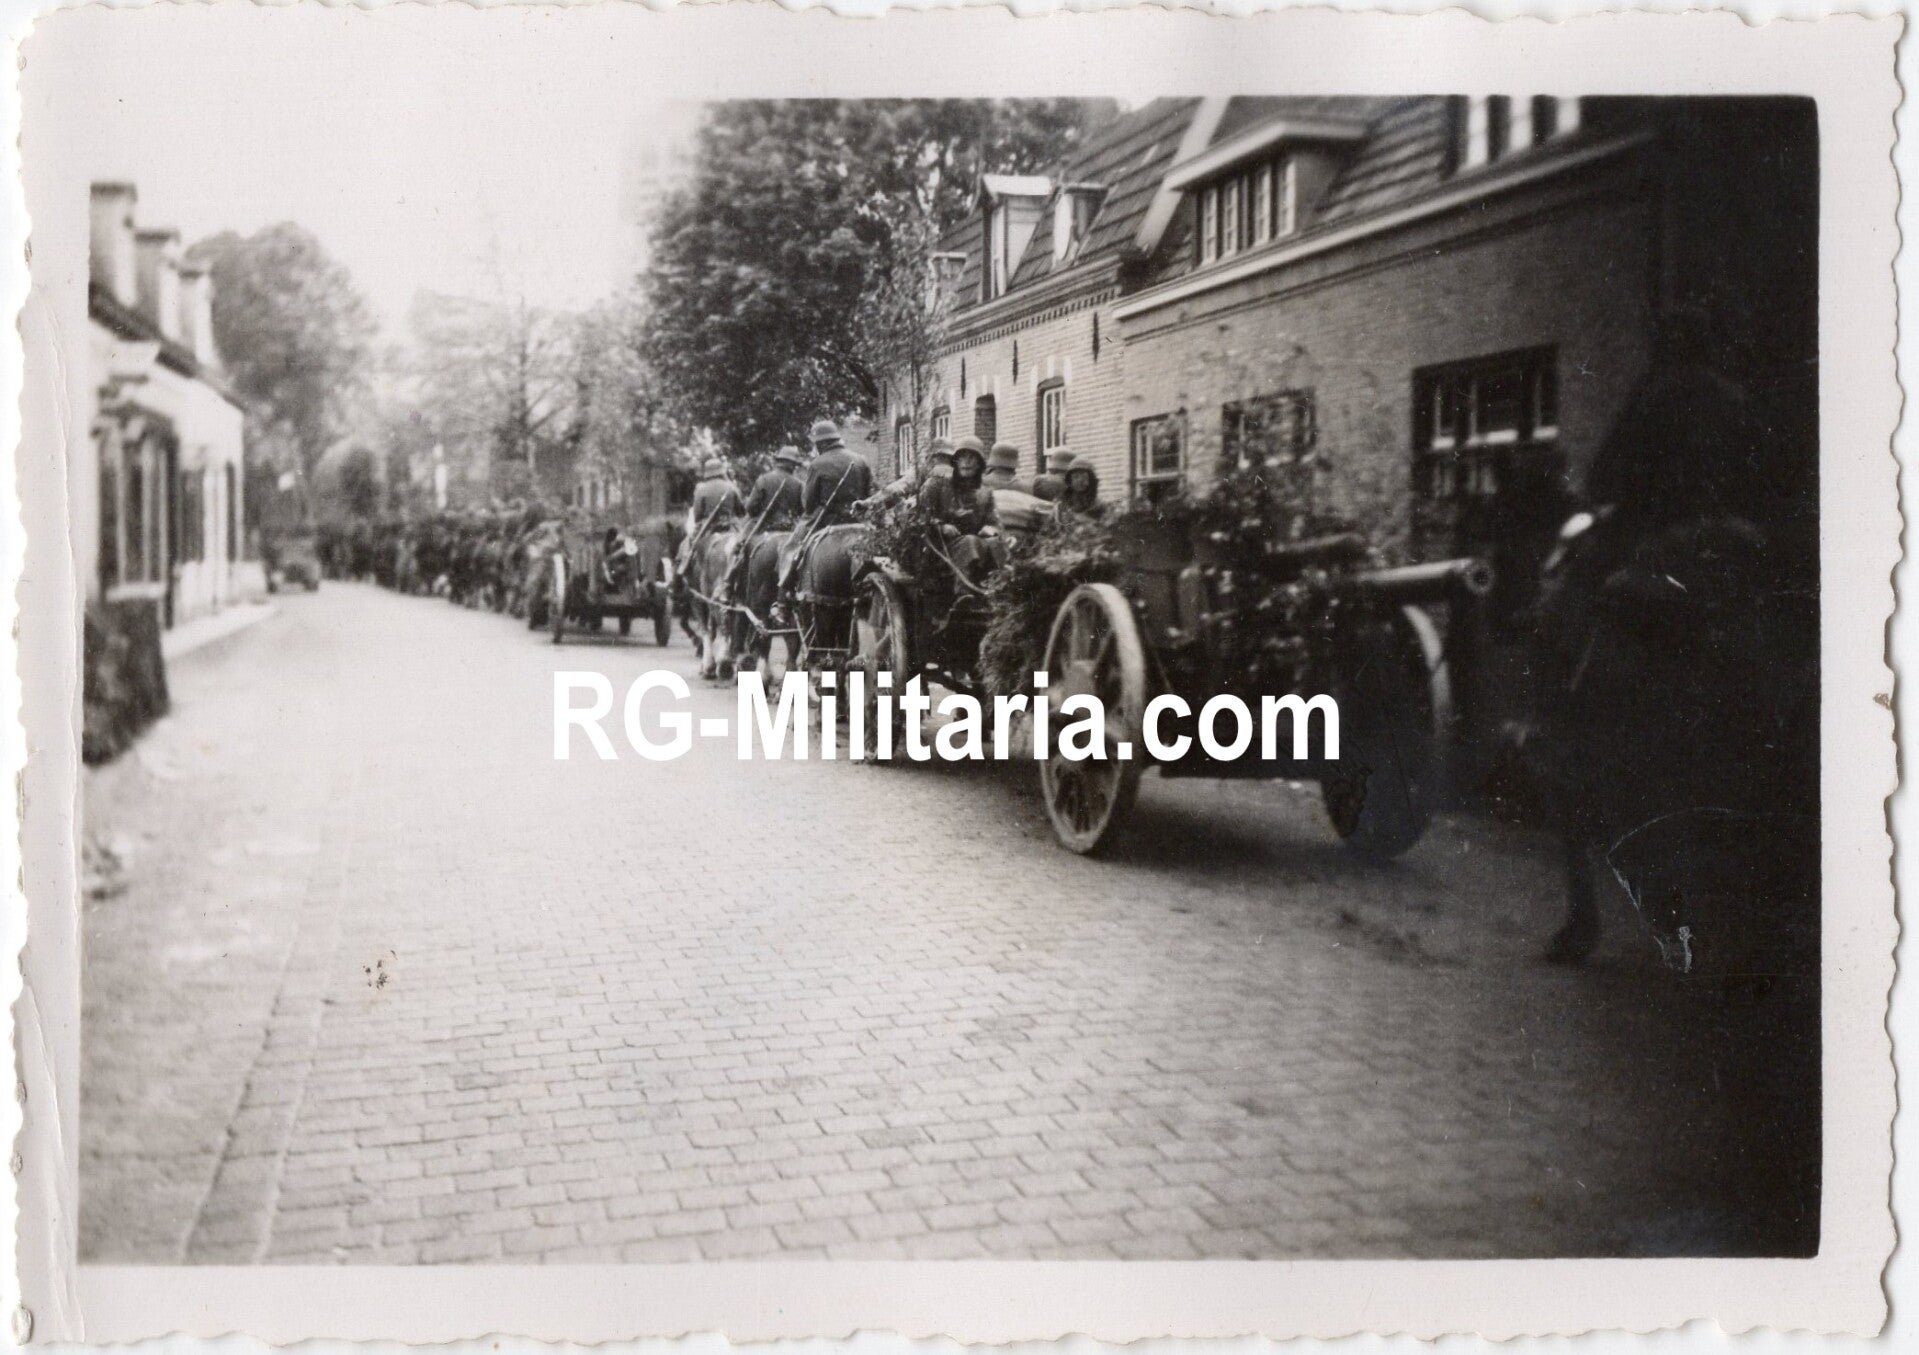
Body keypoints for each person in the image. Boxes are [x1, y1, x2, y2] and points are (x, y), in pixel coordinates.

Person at [920, 438, 1004, 584]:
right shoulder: (938, 485)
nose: (966, 462)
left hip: (976, 545)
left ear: (979, 464)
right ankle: (964, 594)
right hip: (940, 550)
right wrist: (941, 526)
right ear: (956, 462)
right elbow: (921, 517)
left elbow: (995, 522)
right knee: (970, 542)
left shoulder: (985, 493)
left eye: (972, 458)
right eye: (962, 457)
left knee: (997, 544)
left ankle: (998, 588)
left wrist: (990, 528)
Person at [1052, 456, 1106, 526]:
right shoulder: (1062, 502)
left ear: (1091, 481)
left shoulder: (1099, 505)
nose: (1080, 481)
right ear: (1070, 480)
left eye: (1084, 477)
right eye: (1076, 477)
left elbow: (1103, 527)